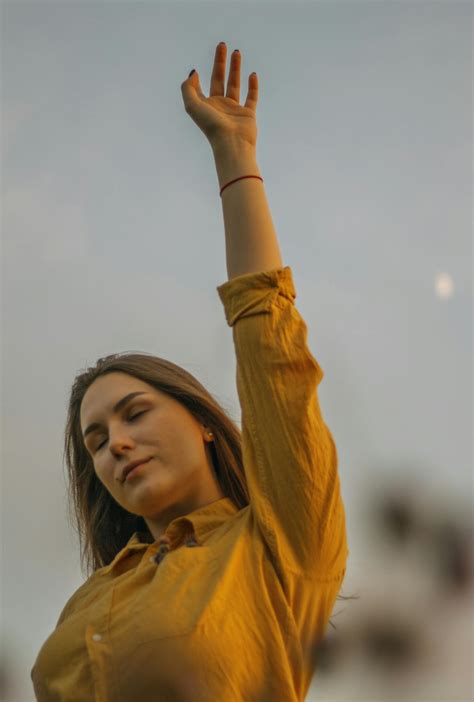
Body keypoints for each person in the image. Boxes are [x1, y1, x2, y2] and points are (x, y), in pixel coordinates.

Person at [31, 42, 349, 701]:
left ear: (204, 422)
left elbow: (271, 352)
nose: (114, 443)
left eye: (135, 413)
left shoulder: (277, 545)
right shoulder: (89, 602)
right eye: (94, 442)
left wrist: (235, 157)